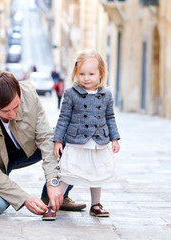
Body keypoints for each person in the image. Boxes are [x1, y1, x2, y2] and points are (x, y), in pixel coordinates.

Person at [0, 70, 81, 216]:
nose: (12, 115)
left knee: (71, 138)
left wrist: (52, 181)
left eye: (16, 107)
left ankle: (53, 196)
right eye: (5, 111)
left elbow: (45, 138)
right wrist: (24, 199)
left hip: (28, 149)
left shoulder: (28, 93)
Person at [42, 49, 120, 221]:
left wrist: (115, 138)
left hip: (98, 141)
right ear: (76, 74)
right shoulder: (71, 93)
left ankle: (96, 204)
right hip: (76, 141)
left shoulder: (106, 94)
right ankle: (52, 205)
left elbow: (110, 117)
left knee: (97, 174)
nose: (86, 78)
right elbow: (63, 118)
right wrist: (58, 141)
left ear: (101, 74)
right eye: (82, 73)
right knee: (68, 173)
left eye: (91, 73)